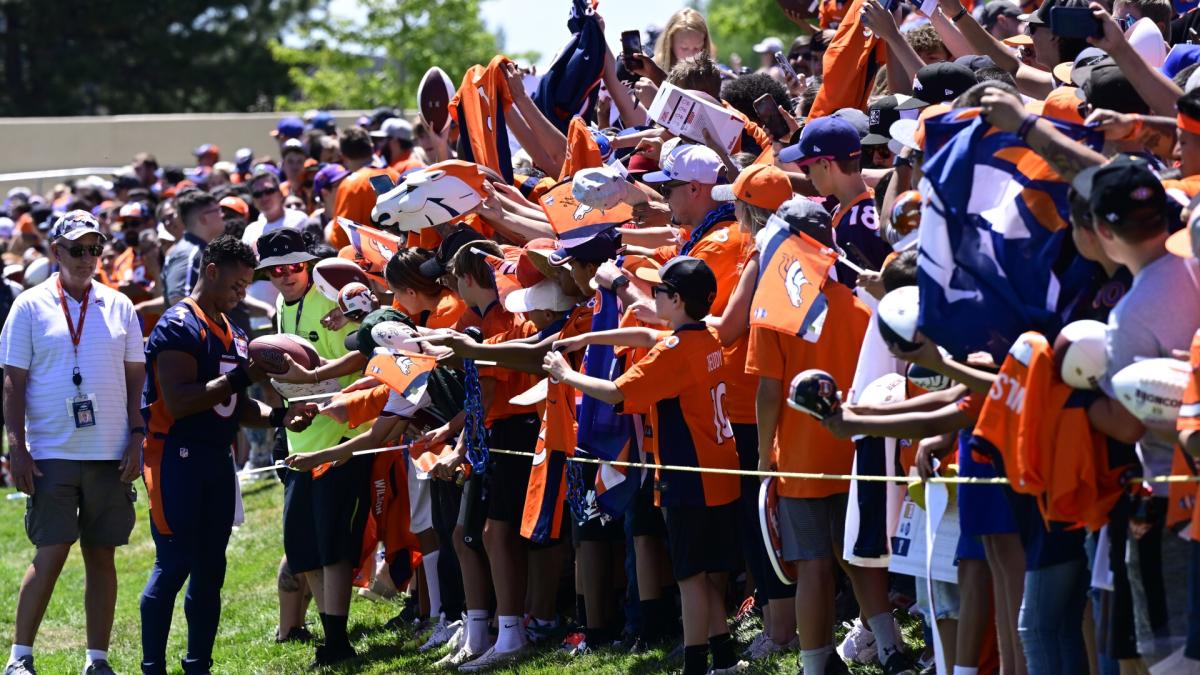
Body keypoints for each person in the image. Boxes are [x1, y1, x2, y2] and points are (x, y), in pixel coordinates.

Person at [545, 256, 745, 675]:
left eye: (657, 290)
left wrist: (566, 374)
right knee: (707, 572)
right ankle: (723, 654)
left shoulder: (674, 351)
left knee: (690, 575)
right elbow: (644, 333)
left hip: (689, 478)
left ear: (674, 299)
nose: (651, 296)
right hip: (721, 472)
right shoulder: (705, 335)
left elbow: (617, 393)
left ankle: (695, 662)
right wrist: (589, 342)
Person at [138, 235, 316, 674]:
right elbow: (180, 401)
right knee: (174, 561)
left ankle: (198, 663)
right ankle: (151, 666)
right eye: (237, 283)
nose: (242, 292)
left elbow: (232, 406)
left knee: (210, 567)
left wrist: (280, 416)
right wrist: (244, 378)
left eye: (246, 284)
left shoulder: (234, 331)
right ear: (211, 270)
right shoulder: (178, 323)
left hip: (217, 457)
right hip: (174, 455)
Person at [1, 211, 146, 675]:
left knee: (102, 554)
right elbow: (12, 382)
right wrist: (16, 447)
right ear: (56, 252)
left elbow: (135, 378)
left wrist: (137, 437)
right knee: (51, 552)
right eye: (77, 249)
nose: (87, 258)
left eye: (94, 249)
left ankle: (96, 659)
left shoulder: (120, 305)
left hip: (110, 452)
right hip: (50, 453)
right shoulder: (28, 304)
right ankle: (20, 657)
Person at [259, 228, 367, 667]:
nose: (287, 275)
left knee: (333, 547)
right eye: (276, 269)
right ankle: (330, 633)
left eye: (295, 266)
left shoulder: (335, 298)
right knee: (303, 549)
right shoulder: (279, 313)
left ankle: (338, 639)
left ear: (308, 264)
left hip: (341, 439)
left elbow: (368, 353)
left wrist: (321, 387)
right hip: (300, 441)